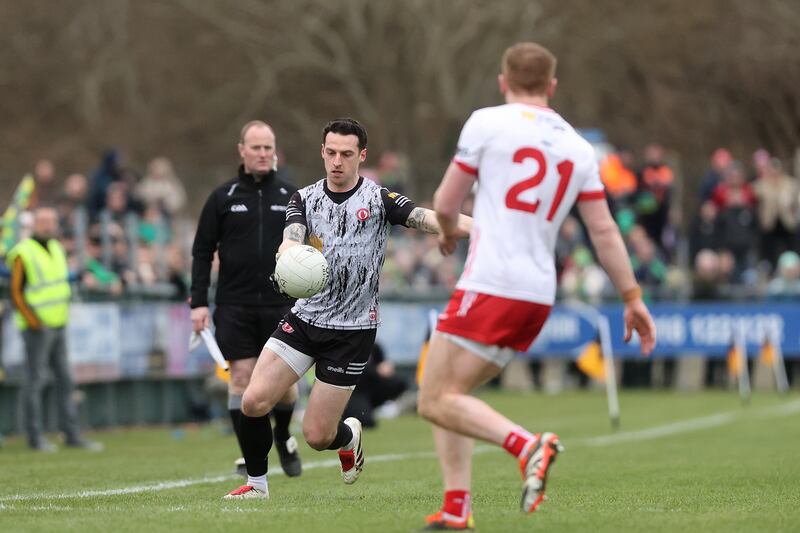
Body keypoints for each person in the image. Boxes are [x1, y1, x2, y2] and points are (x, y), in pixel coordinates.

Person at [416, 42, 657, 530]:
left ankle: (527, 446)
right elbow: (605, 230)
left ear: (503, 81)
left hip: (492, 281)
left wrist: (445, 232)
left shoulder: (486, 122)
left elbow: (445, 201)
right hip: (538, 292)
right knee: (451, 394)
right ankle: (457, 509)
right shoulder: (578, 146)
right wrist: (632, 297)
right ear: (552, 86)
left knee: (432, 397)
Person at [223, 117, 472, 499]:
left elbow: (426, 218)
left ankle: (348, 436)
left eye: (346, 154)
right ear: (322, 152)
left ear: (361, 155)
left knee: (317, 435)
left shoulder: (377, 199)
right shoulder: (304, 198)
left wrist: (485, 229)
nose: (337, 161)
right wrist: (289, 250)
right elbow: (292, 234)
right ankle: (257, 486)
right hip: (304, 320)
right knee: (253, 401)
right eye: (331, 153)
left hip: (352, 332)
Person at [190, 120, 302, 479]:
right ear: (241, 150)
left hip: (280, 304)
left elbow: (311, 252)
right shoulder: (222, 198)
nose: (263, 153)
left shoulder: (292, 197)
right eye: (256, 147)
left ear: (275, 150)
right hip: (234, 305)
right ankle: (252, 460)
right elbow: (202, 251)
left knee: (284, 388)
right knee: (241, 379)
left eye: (268, 147)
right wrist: (198, 303)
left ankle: (283, 437)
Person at [6, 207, 102, 452]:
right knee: (34, 381)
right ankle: (34, 437)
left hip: (59, 324)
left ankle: (71, 434)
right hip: (37, 327)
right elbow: (15, 292)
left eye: (51, 221)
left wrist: (81, 276)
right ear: (34, 224)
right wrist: (34, 321)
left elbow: (61, 280)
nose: (47, 225)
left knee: (65, 380)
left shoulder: (57, 248)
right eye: (42, 221)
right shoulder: (22, 253)